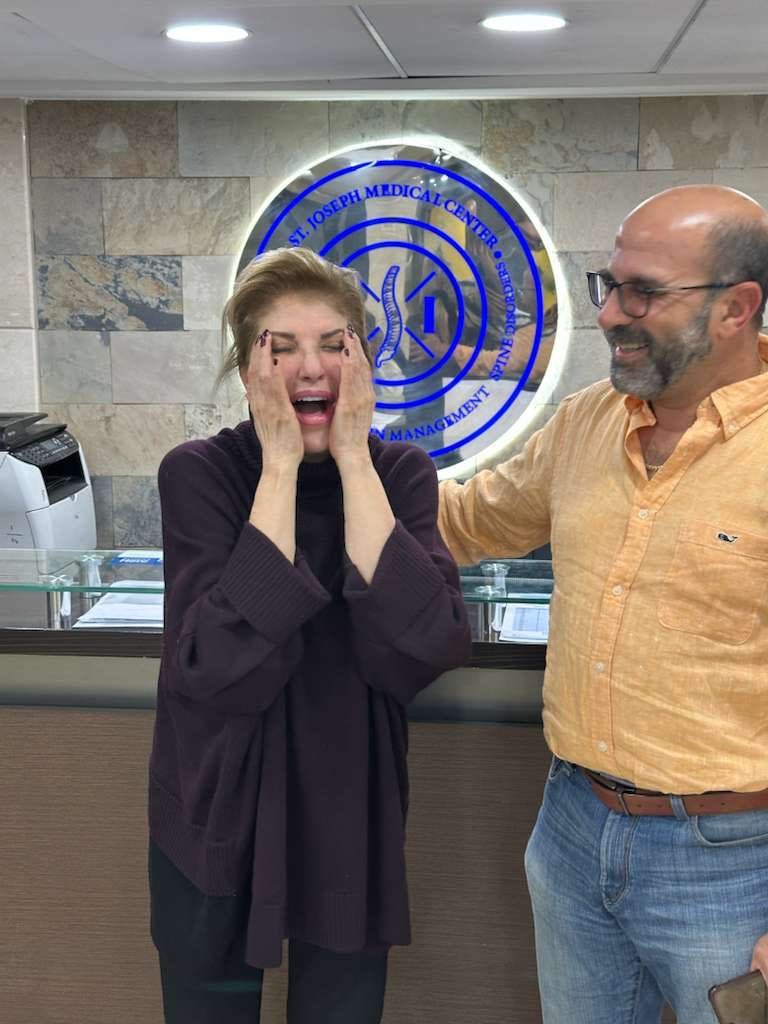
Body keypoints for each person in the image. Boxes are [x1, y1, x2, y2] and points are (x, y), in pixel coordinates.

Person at [437, 184, 768, 1024]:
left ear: (737, 308)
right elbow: (467, 523)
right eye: (609, 285)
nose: (611, 313)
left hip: (736, 865)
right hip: (573, 830)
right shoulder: (587, 422)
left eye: (643, 292)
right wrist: (327, 451)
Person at [148, 246, 472, 1024]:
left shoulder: (401, 475)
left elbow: (427, 644)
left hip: (348, 805)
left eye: (333, 344)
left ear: (364, 362)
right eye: (282, 349)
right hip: (216, 803)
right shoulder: (200, 473)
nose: (312, 367)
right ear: (247, 371)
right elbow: (216, 665)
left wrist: (355, 459)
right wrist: (280, 469)